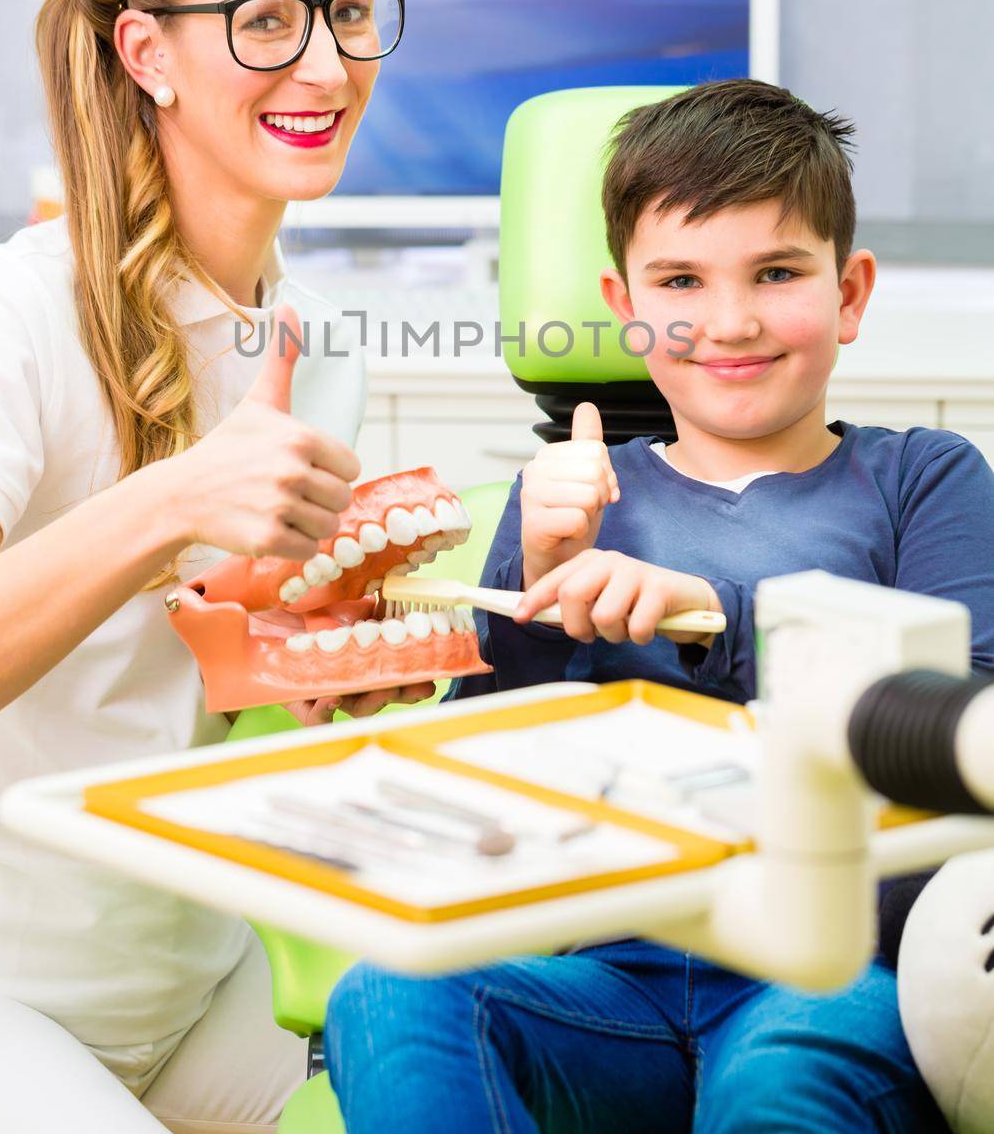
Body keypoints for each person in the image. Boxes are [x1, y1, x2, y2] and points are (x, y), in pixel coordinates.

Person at [324, 77, 994, 1133]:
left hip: (826, 973)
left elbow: (967, 723)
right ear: (625, 307)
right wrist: (536, 593)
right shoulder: (571, 501)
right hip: (610, 979)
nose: (727, 320)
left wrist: (715, 617)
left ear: (849, 291)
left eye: (775, 272)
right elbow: (484, 789)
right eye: (679, 280)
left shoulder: (923, 480)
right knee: (385, 991)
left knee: (775, 1084)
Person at [0, 0, 430, 1132]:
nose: (325, 62)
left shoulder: (311, 347)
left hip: (196, 981)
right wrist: (172, 496)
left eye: (351, 11)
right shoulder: (8, 317)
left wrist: (322, 658)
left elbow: (191, 661)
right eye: (265, 19)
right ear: (146, 52)